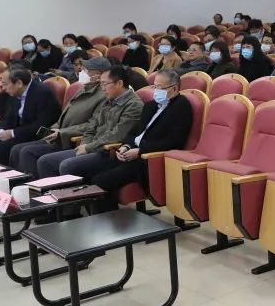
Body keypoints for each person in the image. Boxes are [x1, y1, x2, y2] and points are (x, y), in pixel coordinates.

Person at [79, 69, 193, 211]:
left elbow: (174, 141)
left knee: (100, 181)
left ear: (174, 88)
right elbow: (135, 131)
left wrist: (140, 151)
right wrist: (126, 146)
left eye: (159, 87)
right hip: (131, 154)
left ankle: (108, 220)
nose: (155, 91)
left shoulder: (181, 107)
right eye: (154, 86)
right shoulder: (151, 105)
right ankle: (99, 218)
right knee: (88, 172)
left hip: (148, 159)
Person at [33, 64, 145, 179]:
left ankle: (74, 191)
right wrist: (84, 144)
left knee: (67, 165)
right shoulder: (108, 100)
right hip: (93, 147)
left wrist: (88, 148)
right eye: (101, 84)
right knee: (45, 161)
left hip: (109, 152)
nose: (102, 88)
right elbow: (92, 125)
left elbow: (117, 135)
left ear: (119, 83)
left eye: (105, 84)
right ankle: (50, 190)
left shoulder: (133, 105)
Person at [9, 56, 109, 176]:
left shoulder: (103, 96)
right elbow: (64, 116)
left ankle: (34, 186)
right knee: (16, 149)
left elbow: (92, 125)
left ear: (98, 75)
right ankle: (18, 183)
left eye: (86, 70)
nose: (81, 72)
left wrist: (62, 132)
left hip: (71, 140)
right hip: (58, 136)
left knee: (28, 152)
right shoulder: (83, 89)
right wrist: (52, 130)